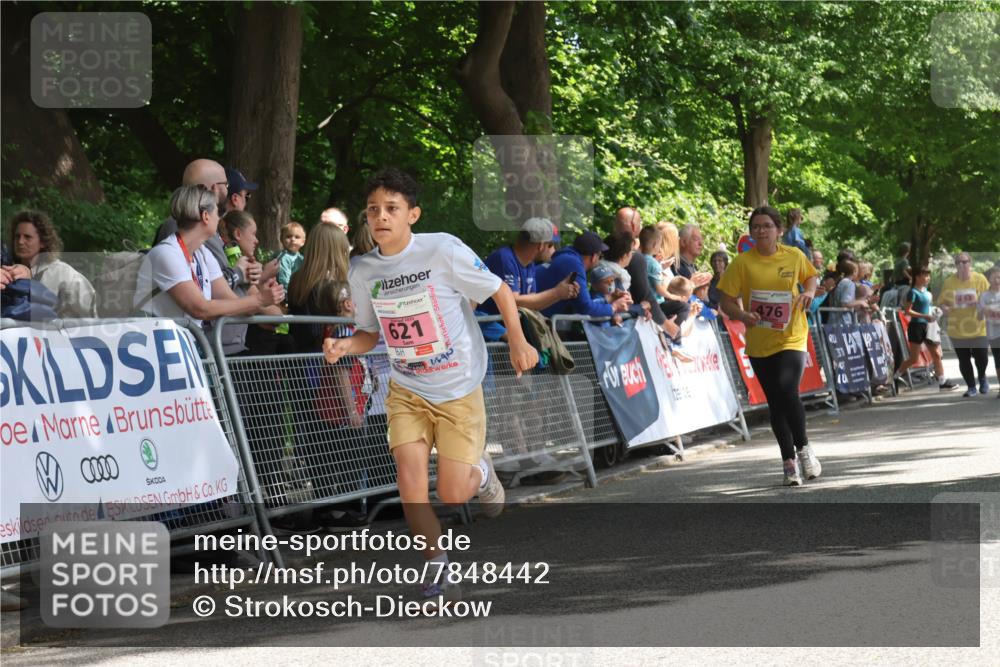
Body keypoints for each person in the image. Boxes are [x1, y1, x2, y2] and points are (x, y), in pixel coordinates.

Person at [322, 168, 538, 606]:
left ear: (412, 214)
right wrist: (346, 345)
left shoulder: (441, 250)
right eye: (373, 210)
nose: (380, 217)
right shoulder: (362, 269)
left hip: (458, 387)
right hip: (408, 390)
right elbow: (370, 333)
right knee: (411, 483)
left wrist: (518, 339)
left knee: (453, 492)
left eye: (392, 209)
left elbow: (498, 290)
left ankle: (480, 471)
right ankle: (436, 567)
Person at [717, 206, 820, 487]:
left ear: (778, 230)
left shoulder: (794, 255)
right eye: (756, 226)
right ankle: (788, 463)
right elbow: (725, 299)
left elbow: (811, 277)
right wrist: (742, 315)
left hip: (792, 336)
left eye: (766, 226)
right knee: (776, 402)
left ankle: (804, 449)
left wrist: (808, 292)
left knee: (788, 390)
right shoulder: (742, 262)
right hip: (760, 341)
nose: (760, 230)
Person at [136, 185, 283, 326]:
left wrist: (264, 295)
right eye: (217, 212)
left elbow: (233, 303)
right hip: (157, 346)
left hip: (181, 345)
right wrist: (260, 300)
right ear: (206, 216)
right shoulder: (166, 253)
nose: (220, 219)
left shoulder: (202, 253)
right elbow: (200, 309)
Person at [478, 217, 578, 316]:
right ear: (541, 245)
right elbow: (513, 301)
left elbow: (531, 304)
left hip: (501, 323)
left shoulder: (529, 265)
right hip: (483, 322)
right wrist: (557, 293)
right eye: (551, 245)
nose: (554, 250)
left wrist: (561, 294)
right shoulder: (504, 258)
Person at [8, 210, 96, 318]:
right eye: (17, 236)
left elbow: (90, 322)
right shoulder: (6, 273)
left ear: (43, 242)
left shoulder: (66, 276)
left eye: (27, 237)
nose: (20, 242)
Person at [538, 231, 631, 321]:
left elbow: (581, 303)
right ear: (594, 257)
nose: (599, 260)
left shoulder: (567, 258)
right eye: (600, 256)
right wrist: (614, 307)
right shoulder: (573, 264)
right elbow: (586, 308)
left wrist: (610, 298)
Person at [892, 267, 957, 391]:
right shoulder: (912, 292)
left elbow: (928, 307)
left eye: (928, 276)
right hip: (916, 327)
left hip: (929, 326)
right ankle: (896, 376)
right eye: (925, 275)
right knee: (913, 358)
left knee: (936, 354)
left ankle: (942, 382)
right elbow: (907, 311)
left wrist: (935, 310)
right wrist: (924, 316)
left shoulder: (928, 293)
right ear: (917, 277)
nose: (927, 278)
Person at [939, 251, 991, 397]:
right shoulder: (949, 282)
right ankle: (971, 387)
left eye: (965, 261)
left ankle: (982, 377)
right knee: (964, 359)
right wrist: (945, 309)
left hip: (979, 327)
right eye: (958, 262)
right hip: (957, 328)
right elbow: (942, 303)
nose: (962, 265)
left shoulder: (980, 279)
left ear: (970, 263)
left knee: (982, 357)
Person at [977, 267, 1000, 398]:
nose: (997, 280)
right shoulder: (984, 296)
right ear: (989, 279)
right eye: (994, 278)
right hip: (993, 333)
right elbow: (979, 317)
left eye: (999, 277)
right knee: (998, 360)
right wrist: (983, 311)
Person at [274, 221, 306, 291]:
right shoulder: (284, 257)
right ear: (282, 239)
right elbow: (283, 280)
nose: (292, 239)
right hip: (286, 293)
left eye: (297, 237)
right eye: (288, 236)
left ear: (303, 242)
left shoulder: (301, 258)